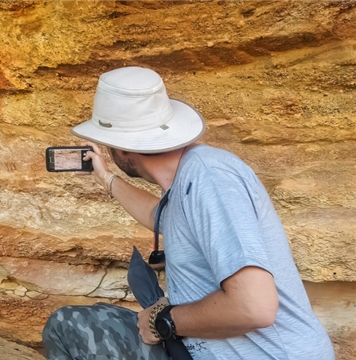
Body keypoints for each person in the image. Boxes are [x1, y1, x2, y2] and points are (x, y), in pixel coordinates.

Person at [42, 66, 335, 359]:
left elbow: (254, 307)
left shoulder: (209, 179)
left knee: (66, 325)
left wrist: (164, 321)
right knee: (87, 321)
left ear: (122, 148)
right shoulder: (187, 181)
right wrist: (106, 178)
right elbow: (160, 216)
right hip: (196, 348)